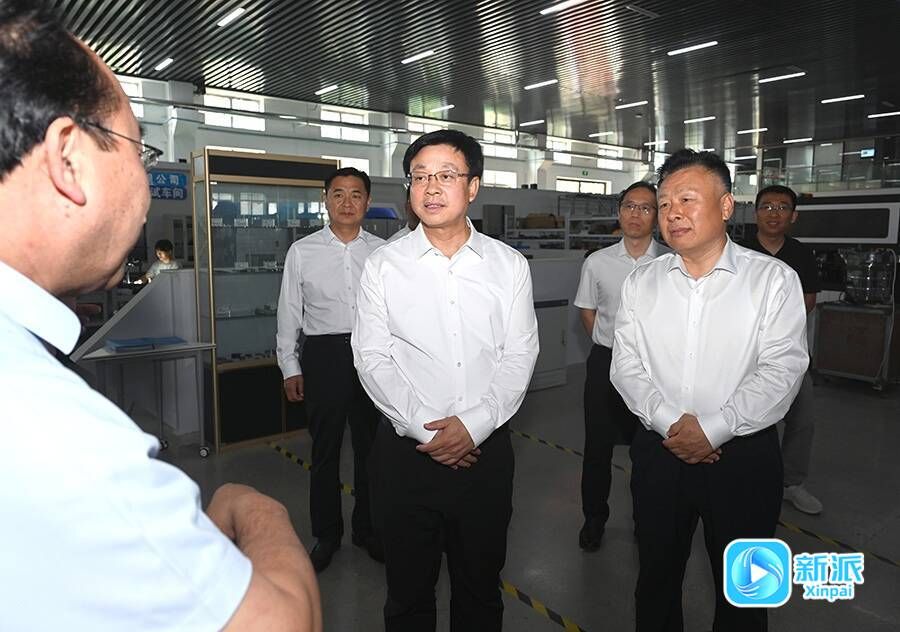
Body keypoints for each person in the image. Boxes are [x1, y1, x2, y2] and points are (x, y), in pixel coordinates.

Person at [0, 2, 320, 630]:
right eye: (138, 151)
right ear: (68, 159)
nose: (146, 186)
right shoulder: (56, 434)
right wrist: (259, 512)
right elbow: (283, 621)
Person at [611, 149, 809, 632]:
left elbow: (782, 369)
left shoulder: (773, 280)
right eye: (663, 204)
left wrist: (716, 429)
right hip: (660, 452)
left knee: (746, 595)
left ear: (725, 206)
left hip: (745, 457)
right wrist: (670, 424)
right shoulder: (641, 282)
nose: (672, 213)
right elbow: (626, 365)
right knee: (655, 581)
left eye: (686, 199)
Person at [352, 129, 539, 632]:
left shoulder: (508, 266)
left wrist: (474, 425)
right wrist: (426, 429)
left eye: (446, 175)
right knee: (408, 595)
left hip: (485, 455)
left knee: (479, 591)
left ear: (473, 187)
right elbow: (372, 357)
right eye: (419, 177)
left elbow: (520, 354)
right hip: (407, 457)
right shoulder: (383, 266)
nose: (431, 187)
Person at [276, 166, 385, 572]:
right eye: (338, 194)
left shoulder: (382, 253)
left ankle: (367, 529)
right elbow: (289, 311)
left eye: (356, 194)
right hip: (323, 356)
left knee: (371, 450)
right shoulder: (302, 252)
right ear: (326, 200)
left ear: (367, 202)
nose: (347, 202)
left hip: (372, 355)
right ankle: (326, 533)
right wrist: (289, 365)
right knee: (325, 450)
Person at [573, 181, 670, 551]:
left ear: (657, 216)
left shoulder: (669, 263)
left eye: (646, 207)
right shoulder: (597, 262)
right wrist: (606, 342)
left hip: (654, 368)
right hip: (606, 363)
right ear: (619, 212)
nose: (636, 214)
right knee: (597, 447)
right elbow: (587, 310)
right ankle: (594, 518)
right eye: (630, 206)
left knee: (648, 448)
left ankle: (646, 520)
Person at [742, 184, 823, 515]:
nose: (774, 213)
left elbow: (808, 302)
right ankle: (746, 480)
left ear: (793, 216)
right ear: (756, 213)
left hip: (789, 353)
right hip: (744, 355)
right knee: (747, 419)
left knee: (803, 419)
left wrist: (766, 319)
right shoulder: (739, 252)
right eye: (767, 206)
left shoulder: (801, 254)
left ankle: (791, 483)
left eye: (782, 207)